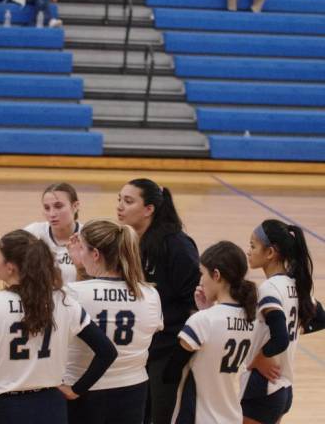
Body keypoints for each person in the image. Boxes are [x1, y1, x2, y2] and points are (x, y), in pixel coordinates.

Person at [0, 230, 117, 424]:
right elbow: (107, 351)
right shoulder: (64, 302)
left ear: (10, 267)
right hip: (51, 408)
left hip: (5, 410)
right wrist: (76, 389)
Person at [116, 178, 200, 424]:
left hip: (168, 350)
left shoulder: (177, 245)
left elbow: (195, 302)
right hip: (138, 348)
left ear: (149, 209)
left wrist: (180, 352)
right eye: (119, 200)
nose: (120, 206)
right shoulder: (126, 241)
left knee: (161, 416)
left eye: (128, 201)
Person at [65, 219, 163, 424]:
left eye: (82, 248)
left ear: (95, 255)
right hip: (133, 391)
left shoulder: (74, 292)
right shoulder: (150, 294)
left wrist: (79, 270)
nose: (79, 254)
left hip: (83, 390)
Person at [241, 219, 325, 424]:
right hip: (284, 389)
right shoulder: (296, 285)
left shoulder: (270, 288)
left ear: (270, 252)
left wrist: (260, 357)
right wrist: (297, 327)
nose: (248, 251)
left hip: (263, 387)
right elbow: (321, 319)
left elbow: (280, 339)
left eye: (253, 246)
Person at [163, 241, 258, 423]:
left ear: (216, 275)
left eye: (202, 273)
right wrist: (205, 310)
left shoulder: (203, 321)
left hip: (199, 416)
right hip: (231, 415)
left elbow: (170, 373)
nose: (200, 281)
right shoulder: (250, 318)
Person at [24, 182, 82, 284]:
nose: (52, 214)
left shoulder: (88, 236)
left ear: (75, 206)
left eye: (58, 206)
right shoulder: (33, 233)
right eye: (47, 208)